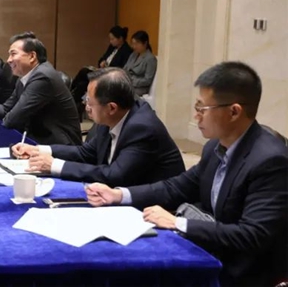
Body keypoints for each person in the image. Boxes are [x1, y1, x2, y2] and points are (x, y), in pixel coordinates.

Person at [85, 62, 288, 286]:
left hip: (243, 273)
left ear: (234, 112)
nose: (196, 116)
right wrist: (119, 195)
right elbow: (177, 187)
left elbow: (252, 235)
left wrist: (178, 223)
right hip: (212, 251)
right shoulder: (214, 147)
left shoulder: (270, 161)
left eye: (202, 109)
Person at [12, 68, 184, 186]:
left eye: (89, 101)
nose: (85, 105)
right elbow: (86, 153)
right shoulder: (111, 117)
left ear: (111, 107)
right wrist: (39, 150)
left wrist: (54, 165)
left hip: (155, 209)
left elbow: (115, 175)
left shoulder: (142, 128)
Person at [0, 32, 81, 145]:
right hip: (39, 138)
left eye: (13, 54)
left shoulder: (42, 77)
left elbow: (13, 119)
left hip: (58, 145)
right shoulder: (26, 76)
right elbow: (7, 107)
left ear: (32, 56)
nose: (8, 60)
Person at [71, 26, 133, 118]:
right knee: (82, 82)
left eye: (113, 39)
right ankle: (74, 101)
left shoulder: (127, 51)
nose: (111, 41)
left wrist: (108, 67)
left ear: (120, 38)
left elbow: (120, 68)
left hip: (110, 74)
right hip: (102, 70)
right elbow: (102, 57)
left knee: (84, 74)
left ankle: (72, 97)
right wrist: (102, 62)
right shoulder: (111, 47)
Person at [123, 30, 157, 96]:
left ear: (145, 43)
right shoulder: (133, 55)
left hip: (139, 88)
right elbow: (125, 68)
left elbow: (147, 80)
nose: (134, 46)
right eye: (133, 44)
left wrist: (132, 81)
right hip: (127, 83)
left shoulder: (150, 59)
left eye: (137, 44)